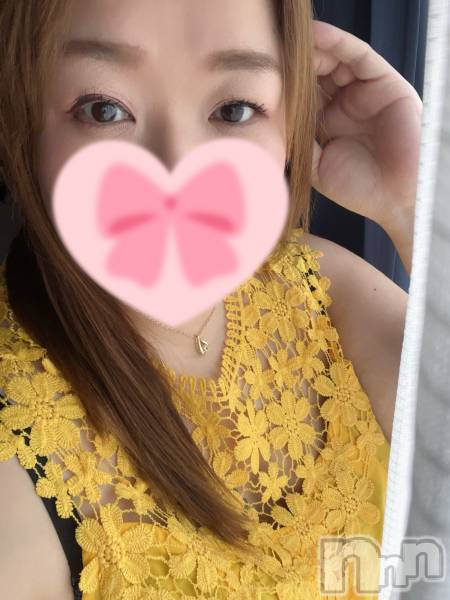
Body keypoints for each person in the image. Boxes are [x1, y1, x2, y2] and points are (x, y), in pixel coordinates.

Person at [0, 1, 421, 598]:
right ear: (23, 119)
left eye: (234, 109)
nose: (178, 171)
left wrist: (415, 206)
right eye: (103, 109)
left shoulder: (320, 287)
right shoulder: (17, 453)